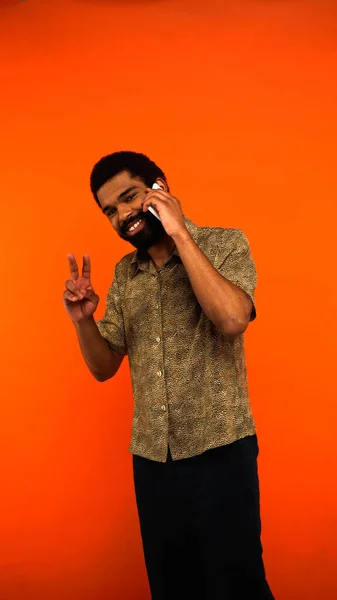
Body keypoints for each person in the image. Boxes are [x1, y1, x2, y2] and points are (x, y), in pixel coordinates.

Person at [62, 151, 274, 600]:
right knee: (172, 587)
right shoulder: (125, 274)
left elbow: (233, 320)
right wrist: (83, 320)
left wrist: (179, 234)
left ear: (158, 186)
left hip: (221, 450)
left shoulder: (224, 244)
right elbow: (104, 368)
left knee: (236, 585)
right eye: (110, 211)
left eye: (129, 198)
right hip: (153, 461)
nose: (123, 216)